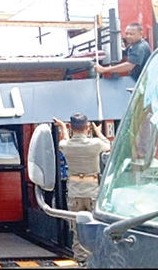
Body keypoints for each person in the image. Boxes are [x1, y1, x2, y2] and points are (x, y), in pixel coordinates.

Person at [53, 114, 110, 266]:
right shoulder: (96, 144)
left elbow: (63, 141)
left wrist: (63, 127)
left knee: (78, 230)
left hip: (74, 192)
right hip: (92, 190)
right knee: (97, 227)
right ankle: (98, 259)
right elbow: (108, 145)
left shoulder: (66, 146)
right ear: (87, 127)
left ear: (72, 127)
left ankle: (81, 262)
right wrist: (97, 131)